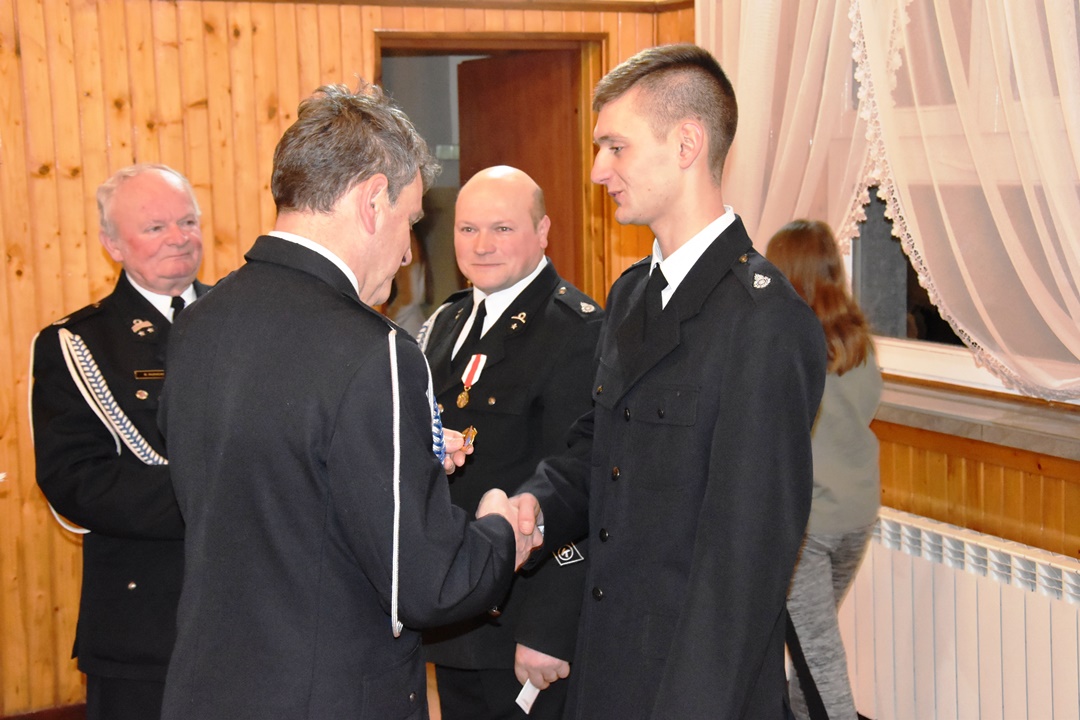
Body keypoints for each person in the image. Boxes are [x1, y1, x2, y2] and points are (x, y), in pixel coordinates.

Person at [158, 82, 537, 720]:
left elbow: (274, 494)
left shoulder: (201, 320)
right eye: (410, 221)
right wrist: (498, 531)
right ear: (371, 201)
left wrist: (404, 458)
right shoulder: (375, 350)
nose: (409, 252)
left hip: (209, 688)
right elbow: (430, 584)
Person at [511, 44, 829, 719]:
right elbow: (600, 448)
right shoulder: (632, 294)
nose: (598, 171)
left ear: (686, 143)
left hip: (690, 688)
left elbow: (745, 564)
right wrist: (533, 505)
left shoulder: (764, 321)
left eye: (615, 147)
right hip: (608, 665)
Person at [419, 166, 603, 719]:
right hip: (456, 613)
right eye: (468, 229)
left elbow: (580, 480)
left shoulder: (576, 330)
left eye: (502, 228)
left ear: (543, 232)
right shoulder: (448, 322)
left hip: (521, 626)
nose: (481, 245)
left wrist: (549, 626)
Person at [30, 163, 208, 720]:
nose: (178, 237)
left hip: (253, 614)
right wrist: (216, 499)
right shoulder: (79, 342)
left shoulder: (247, 320)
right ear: (112, 245)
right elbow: (75, 480)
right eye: (155, 227)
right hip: (144, 620)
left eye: (187, 221)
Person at [766, 219, 883, 720]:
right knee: (812, 652)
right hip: (857, 513)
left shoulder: (788, 344)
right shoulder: (859, 340)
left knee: (819, 661)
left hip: (809, 525)